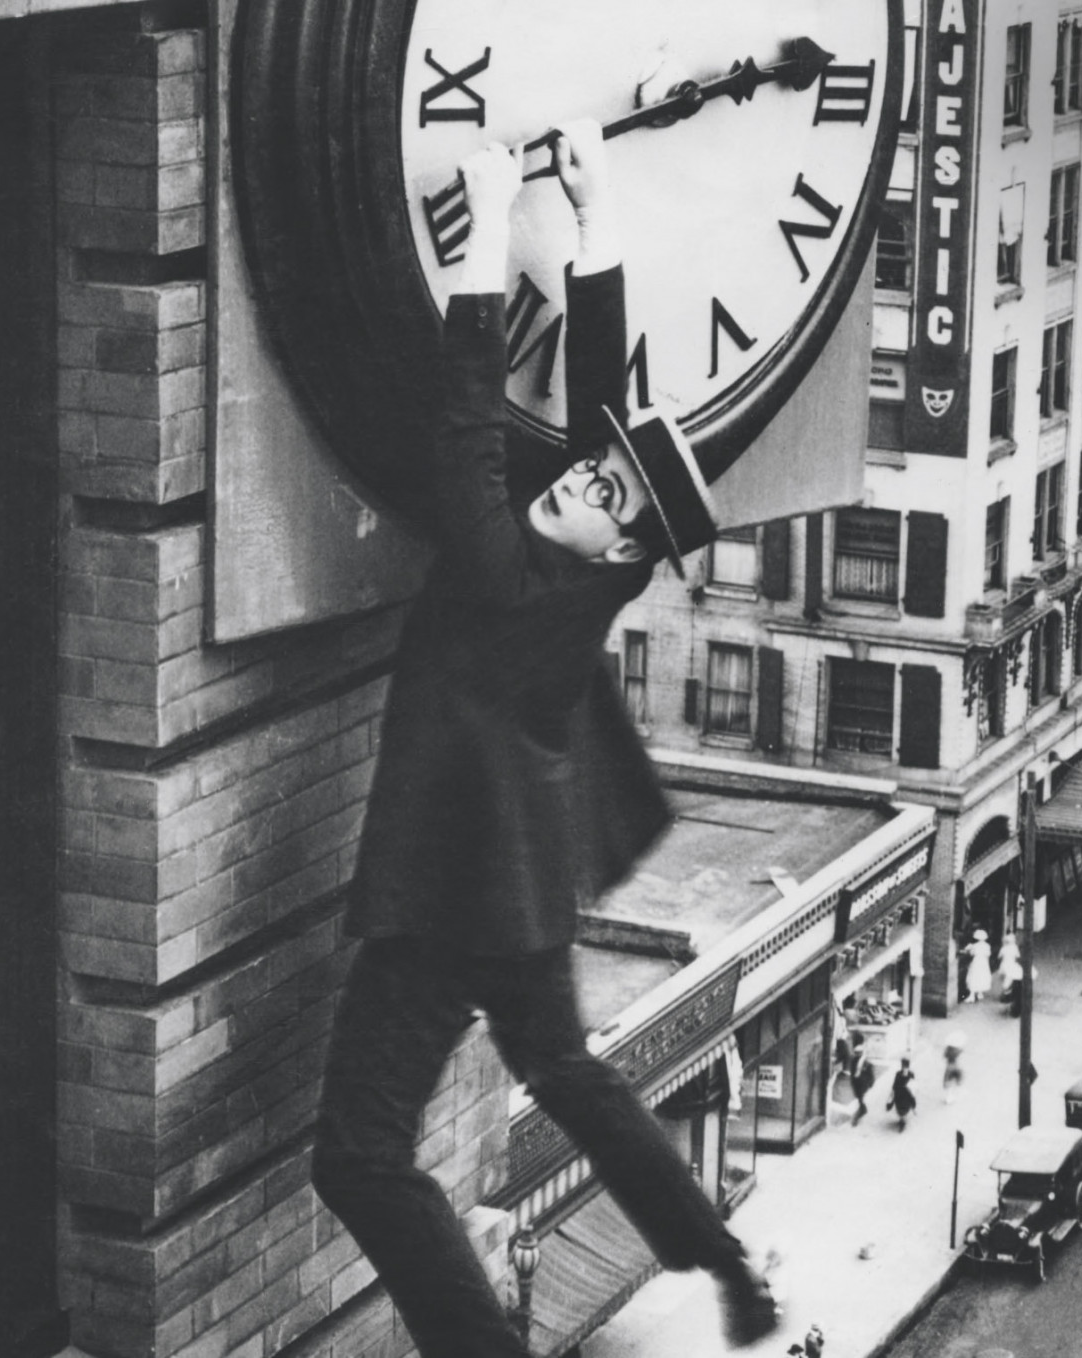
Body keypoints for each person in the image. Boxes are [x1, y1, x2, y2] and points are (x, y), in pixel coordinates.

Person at [312, 126, 780, 1358]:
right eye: (594, 474)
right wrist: (593, 215)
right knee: (565, 1070)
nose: (579, 482)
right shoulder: (593, 577)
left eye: (604, 496)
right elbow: (603, 425)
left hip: (450, 900)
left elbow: (465, 429)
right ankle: (722, 1257)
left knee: (358, 1156)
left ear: (619, 546)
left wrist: (479, 246)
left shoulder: (505, 581)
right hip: (514, 884)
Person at [995, 934, 1024, 1016]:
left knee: (1004, 979)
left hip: (1004, 964)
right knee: (1010, 979)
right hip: (1012, 964)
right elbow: (1018, 956)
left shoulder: (1004, 948)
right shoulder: (1015, 948)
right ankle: (1008, 992)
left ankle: (1004, 993)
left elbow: (999, 956)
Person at [963, 929, 994, 1001]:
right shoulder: (987, 946)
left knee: (974, 976)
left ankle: (972, 995)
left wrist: (969, 949)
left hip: (976, 961)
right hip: (984, 962)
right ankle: (980, 993)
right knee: (981, 976)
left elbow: (972, 954)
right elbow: (988, 955)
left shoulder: (974, 946)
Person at [890, 1057, 918, 1131]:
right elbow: (895, 1084)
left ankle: (902, 1121)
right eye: (903, 1065)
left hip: (906, 1096)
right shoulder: (898, 1074)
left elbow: (913, 1086)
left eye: (905, 1066)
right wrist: (892, 1094)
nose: (904, 1067)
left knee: (904, 1109)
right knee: (899, 1109)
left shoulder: (911, 1074)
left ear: (908, 1066)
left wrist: (912, 1098)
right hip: (899, 1095)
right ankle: (902, 1120)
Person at [941, 1030, 966, 1105]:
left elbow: (944, 1055)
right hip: (955, 1066)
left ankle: (948, 1097)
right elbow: (959, 1054)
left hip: (949, 1067)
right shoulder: (957, 1050)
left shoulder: (948, 1049)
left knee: (949, 1081)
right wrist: (961, 1050)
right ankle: (956, 1091)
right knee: (957, 1078)